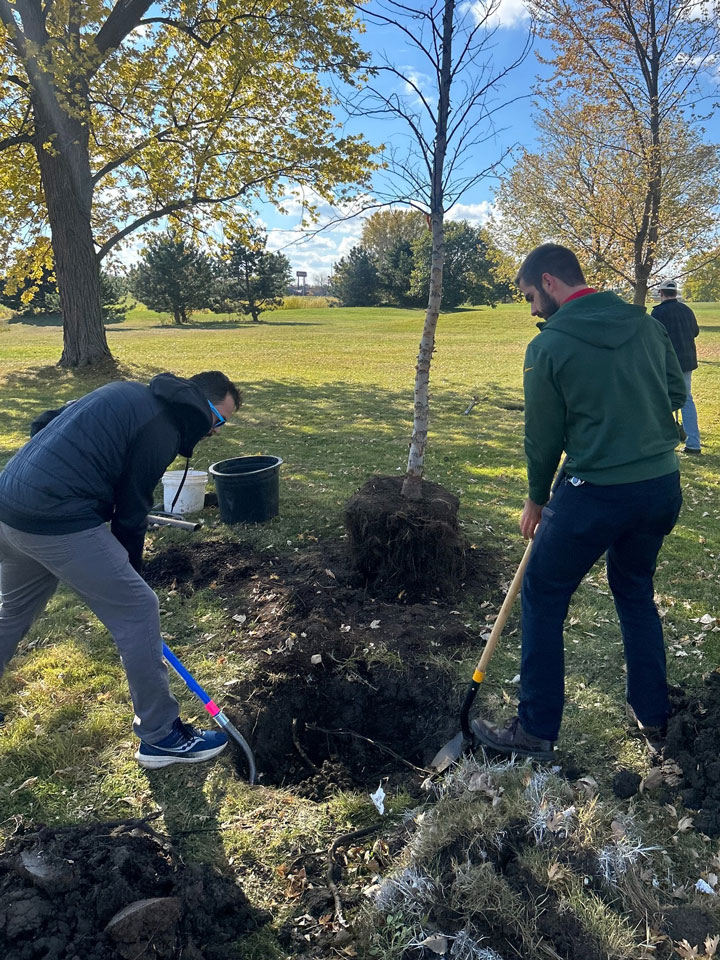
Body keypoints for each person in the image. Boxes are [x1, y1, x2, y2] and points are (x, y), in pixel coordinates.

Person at [473, 244, 686, 758]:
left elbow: (542, 438)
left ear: (549, 282)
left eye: (529, 297)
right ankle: (652, 716)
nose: (530, 311)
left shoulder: (549, 347)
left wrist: (536, 499)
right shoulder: (645, 324)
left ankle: (535, 730)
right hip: (659, 487)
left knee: (543, 593)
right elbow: (676, 393)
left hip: (594, 494)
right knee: (634, 589)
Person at [0, 371, 241, 768]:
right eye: (219, 420)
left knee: (13, 612)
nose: (216, 431)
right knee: (137, 608)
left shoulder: (125, 392)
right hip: (55, 518)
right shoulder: (161, 428)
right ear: (202, 406)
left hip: (11, 506)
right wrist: (132, 574)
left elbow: (43, 423)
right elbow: (131, 514)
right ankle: (161, 736)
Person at [651, 279, 701, 455]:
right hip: (687, 362)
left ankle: (666, 440)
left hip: (666, 363)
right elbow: (695, 332)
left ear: (662, 293)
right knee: (686, 400)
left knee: (662, 400)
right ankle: (693, 443)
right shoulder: (687, 310)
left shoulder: (658, 313)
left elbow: (652, 337)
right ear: (675, 293)